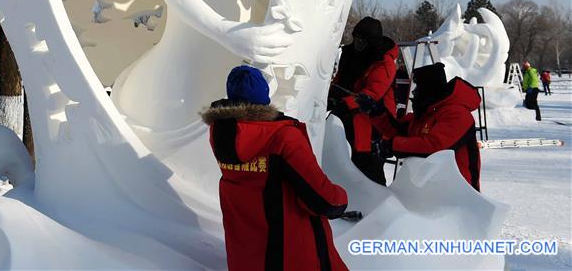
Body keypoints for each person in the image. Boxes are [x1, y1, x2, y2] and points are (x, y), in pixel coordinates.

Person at [202, 65, 348, 271]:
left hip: (246, 257)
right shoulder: (283, 137)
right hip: (289, 254)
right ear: (264, 95)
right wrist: (341, 198)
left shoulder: (220, 134)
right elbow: (323, 199)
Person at [373, 63, 482, 191]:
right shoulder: (427, 114)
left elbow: (435, 147)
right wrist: (376, 112)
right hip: (428, 190)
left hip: (458, 193)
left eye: (418, 87)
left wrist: (392, 145)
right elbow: (398, 130)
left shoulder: (457, 114)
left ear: (429, 89)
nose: (414, 92)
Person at [328, 16, 399, 185]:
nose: (358, 44)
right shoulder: (349, 55)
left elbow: (373, 93)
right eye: (357, 39)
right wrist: (329, 95)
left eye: (363, 40)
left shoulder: (383, 62)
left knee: (369, 170)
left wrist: (345, 102)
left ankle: (380, 206)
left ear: (372, 42)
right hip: (347, 117)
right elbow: (339, 80)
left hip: (374, 122)